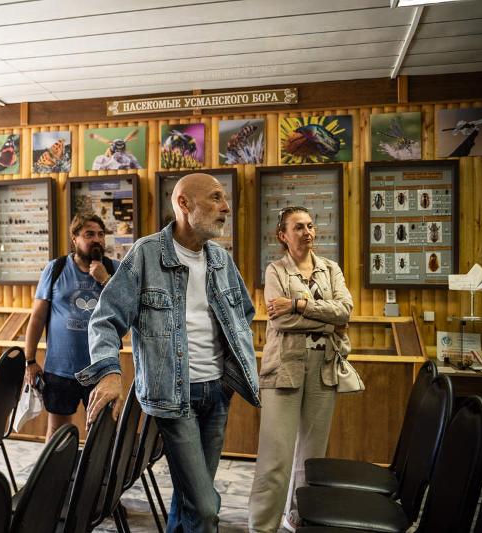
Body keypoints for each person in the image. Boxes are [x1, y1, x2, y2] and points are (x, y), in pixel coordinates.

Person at [77, 173, 260, 533]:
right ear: (184, 203)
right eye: (215, 198)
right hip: (173, 397)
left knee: (190, 497)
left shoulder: (221, 259)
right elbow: (105, 320)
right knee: (205, 507)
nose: (226, 207)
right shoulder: (146, 254)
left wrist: (229, 376)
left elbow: (244, 313)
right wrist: (110, 374)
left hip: (217, 394)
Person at [248, 206, 352, 533]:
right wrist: (329, 323)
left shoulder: (331, 269)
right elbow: (281, 321)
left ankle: (298, 515)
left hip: (324, 367)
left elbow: (345, 310)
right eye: (298, 227)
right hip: (284, 368)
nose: (307, 232)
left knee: (311, 455)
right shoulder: (276, 271)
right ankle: (262, 525)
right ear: (283, 235)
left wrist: (298, 304)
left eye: (310, 225)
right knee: (275, 455)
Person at [24, 214, 118, 441]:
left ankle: (97, 467)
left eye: (100, 234)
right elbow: (37, 317)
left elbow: (127, 308)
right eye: (89, 234)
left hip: (102, 369)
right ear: (74, 239)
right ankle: (55, 466)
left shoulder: (114, 269)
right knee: (58, 432)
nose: (97, 240)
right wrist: (30, 360)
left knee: (103, 433)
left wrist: (105, 280)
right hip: (60, 369)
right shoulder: (55, 269)